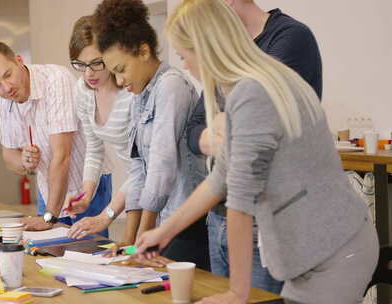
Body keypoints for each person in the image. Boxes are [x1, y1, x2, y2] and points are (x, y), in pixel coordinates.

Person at [136, 0, 378, 303]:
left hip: (333, 251)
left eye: (185, 55)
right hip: (315, 251)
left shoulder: (254, 93)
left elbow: (240, 196)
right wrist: (165, 231)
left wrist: (238, 292)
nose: (185, 64)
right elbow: (221, 176)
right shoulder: (248, 87)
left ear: (205, 48)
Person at [185, 0, 323, 293]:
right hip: (220, 218)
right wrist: (217, 134)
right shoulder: (226, 54)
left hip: (270, 221)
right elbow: (194, 128)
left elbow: (260, 123)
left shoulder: (290, 38)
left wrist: (224, 127)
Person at [88, 0, 210, 270]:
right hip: (162, 224)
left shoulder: (171, 86)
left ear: (143, 51)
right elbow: (139, 170)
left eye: (121, 70)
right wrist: (130, 241)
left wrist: (143, 242)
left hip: (188, 224)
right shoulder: (140, 93)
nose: (119, 81)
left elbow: (161, 166)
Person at [0, 41, 111, 232]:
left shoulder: (56, 80)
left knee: (88, 253)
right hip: (49, 188)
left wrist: (49, 217)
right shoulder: (3, 99)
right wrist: (24, 161)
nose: (6, 88)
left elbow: (62, 156)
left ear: (19, 61)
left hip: (86, 184)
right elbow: (8, 156)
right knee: (48, 254)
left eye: (8, 75)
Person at [64, 16, 141, 245]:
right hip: (136, 189)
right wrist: (86, 194)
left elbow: (144, 167)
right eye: (80, 64)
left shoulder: (130, 92)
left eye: (97, 63)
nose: (89, 73)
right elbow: (94, 149)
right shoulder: (84, 91)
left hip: (157, 187)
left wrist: (108, 214)